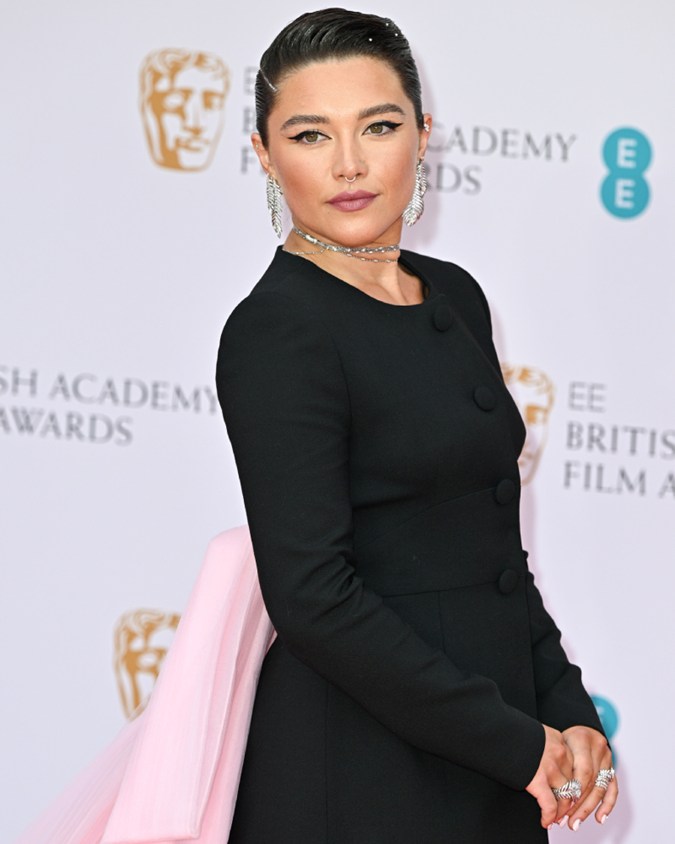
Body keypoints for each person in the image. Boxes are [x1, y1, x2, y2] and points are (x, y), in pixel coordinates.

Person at [216, 9, 617, 842]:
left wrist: (564, 706)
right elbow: (313, 598)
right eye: (310, 135)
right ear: (264, 154)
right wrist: (512, 743)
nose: (349, 163)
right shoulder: (277, 331)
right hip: (360, 771)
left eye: (379, 126)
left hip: (494, 754)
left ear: (423, 134)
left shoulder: (455, 295)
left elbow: (490, 553)